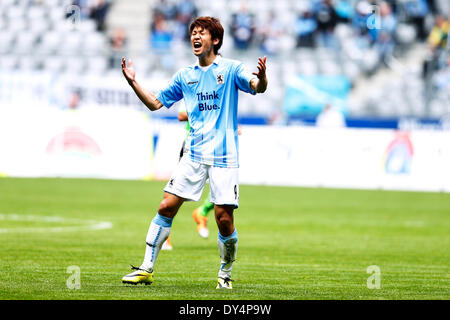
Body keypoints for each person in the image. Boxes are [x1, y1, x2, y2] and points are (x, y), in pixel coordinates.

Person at [120, 16, 268, 289]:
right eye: (193, 33)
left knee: (224, 219)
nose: (195, 37)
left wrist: (262, 78)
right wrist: (133, 83)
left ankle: (225, 273)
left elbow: (256, 87)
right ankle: (146, 268)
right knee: (166, 205)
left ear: (216, 40)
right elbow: (155, 103)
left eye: (202, 33)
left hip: (224, 157)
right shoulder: (185, 76)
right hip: (194, 154)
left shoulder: (232, 69)